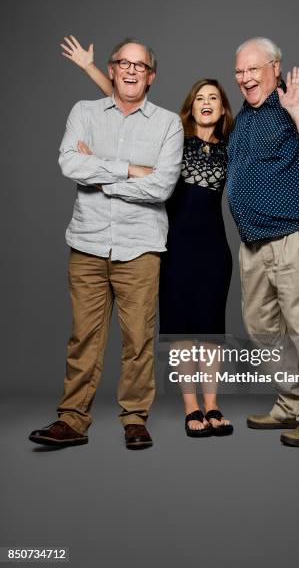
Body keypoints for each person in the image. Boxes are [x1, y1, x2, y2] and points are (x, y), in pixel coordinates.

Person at [59, 36, 234, 437]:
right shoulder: (175, 133)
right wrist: (93, 71)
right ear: (191, 107)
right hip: (168, 246)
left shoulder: (221, 144)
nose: (208, 102)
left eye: (215, 98)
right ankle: (187, 410)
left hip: (201, 249)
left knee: (198, 333)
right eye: (200, 97)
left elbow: (158, 185)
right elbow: (125, 103)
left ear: (224, 109)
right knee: (169, 333)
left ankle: (194, 409)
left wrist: (100, 175)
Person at [29, 38, 184, 450]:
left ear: (151, 76)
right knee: (84, 337)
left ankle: (135, 419)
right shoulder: (84, 112)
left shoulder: (168, 123)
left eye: (140, 65)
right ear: (111, 69)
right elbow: (68, 162)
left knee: (138, 340)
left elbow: (163, 186)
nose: (131, 70)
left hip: (141, 248)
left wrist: (97, 174)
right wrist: (131, 170)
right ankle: (71, 420)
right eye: (123, 63)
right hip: (87, 243)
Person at [227, 37, 299, 447]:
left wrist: (294, 110)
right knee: (262, 331)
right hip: (255, 244)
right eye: (239, 71)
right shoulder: (243, 118)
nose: (243, 79)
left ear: (275, 68)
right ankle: (293, 402)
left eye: (252, 70)